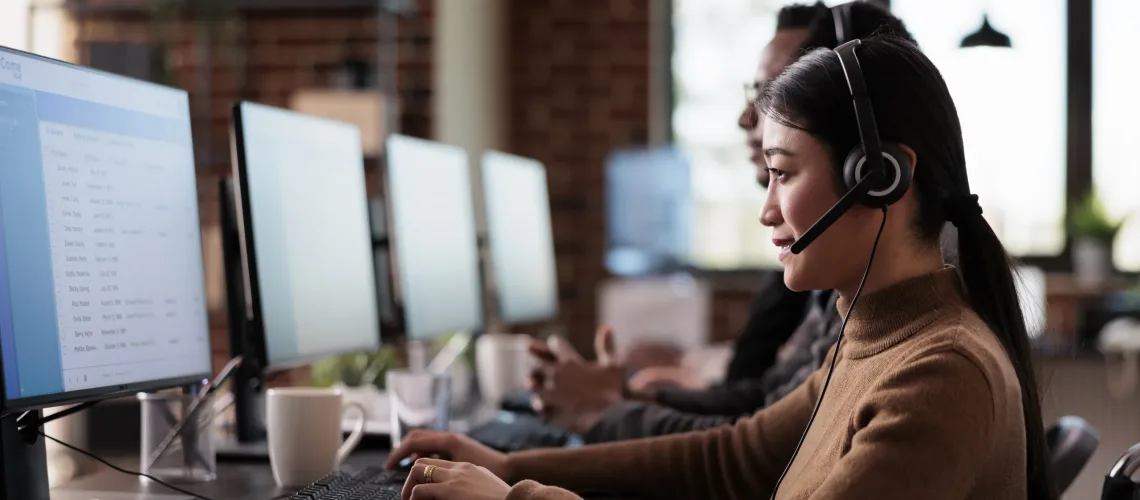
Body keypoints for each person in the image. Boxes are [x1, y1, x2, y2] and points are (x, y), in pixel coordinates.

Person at [386, 34, 1056, 500]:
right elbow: (731, 460)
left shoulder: (940, 376)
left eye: (783, 175)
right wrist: (508, 462)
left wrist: (513, 498)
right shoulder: (874, 338)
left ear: (877, 177)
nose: (767, 211)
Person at [526, 1, 914, 444]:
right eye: (758, 93)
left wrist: (606, 412)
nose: (748, 118)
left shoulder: (913, 338)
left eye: (777, 92)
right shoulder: (844, 283)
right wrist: (629, 398)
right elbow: (765, 409)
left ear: (868, 166)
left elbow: (756, 451)